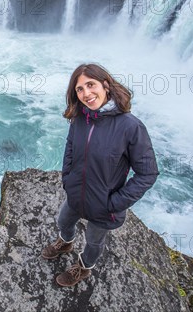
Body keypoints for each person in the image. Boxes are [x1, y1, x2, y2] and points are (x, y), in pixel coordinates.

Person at [41, 63, 159, 287]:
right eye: (79, 89)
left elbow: (148, 173)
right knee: (63, 221)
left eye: (90, 85)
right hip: (76, 194)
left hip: (105, 206)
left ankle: (83, 268)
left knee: (94, 242)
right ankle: (65, 243)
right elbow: (70, 149)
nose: (86, 93)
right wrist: (68, 179)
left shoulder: (131, 127)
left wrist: (114, 203)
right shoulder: (79, 119)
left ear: (105, 84)